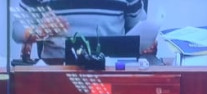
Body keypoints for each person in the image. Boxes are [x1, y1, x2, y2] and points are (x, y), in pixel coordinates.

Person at [11, 0, 146, 62]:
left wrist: (147, 44)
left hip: (113, 72)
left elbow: (141, 27)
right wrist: (38, 32)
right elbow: (17, 31)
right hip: (57, 74)